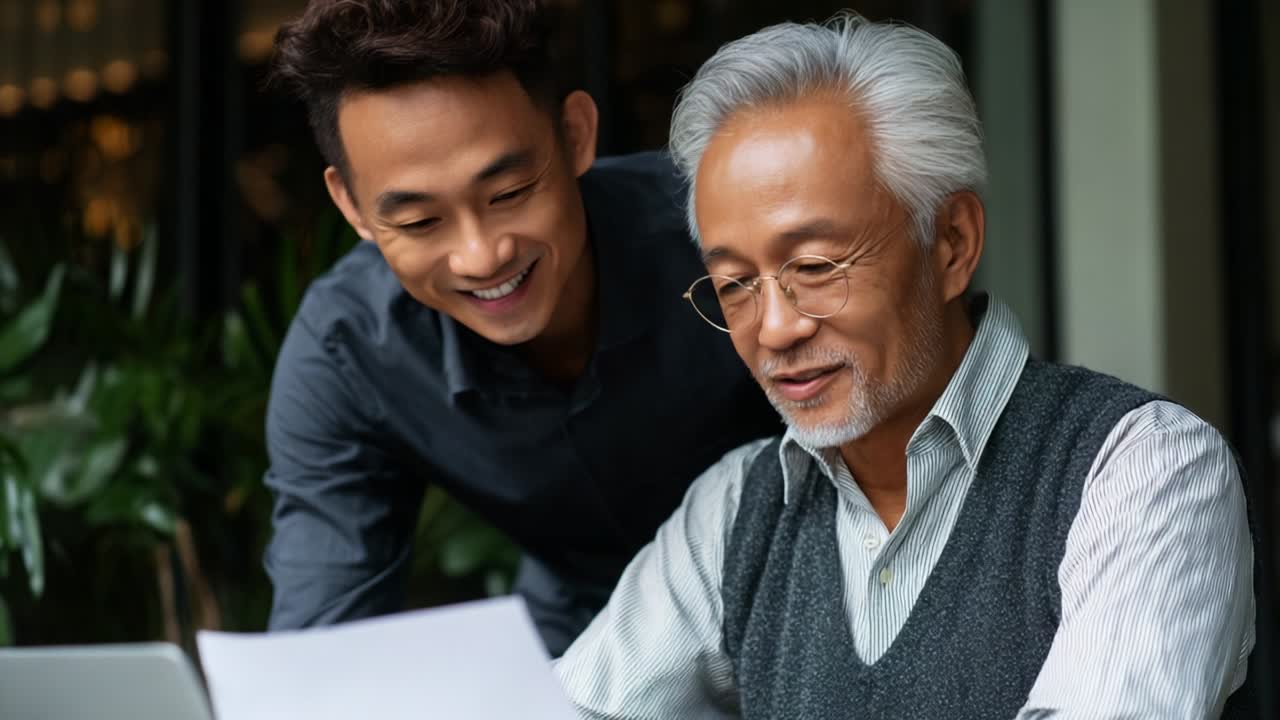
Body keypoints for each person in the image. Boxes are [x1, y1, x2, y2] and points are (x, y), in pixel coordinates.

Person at [554, 14, 1256, 718]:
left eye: (817, 266)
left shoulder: (1141, 468)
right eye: (735, 284)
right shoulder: (734, 511)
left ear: (951, 241)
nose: (775, 328)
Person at [261, 0, 779, 656]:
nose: (482, 257)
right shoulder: (349, 351)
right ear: (351, 205)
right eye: (420, 222)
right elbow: (322, 647)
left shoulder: (722, 233)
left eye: (508, 194)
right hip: (580, 643)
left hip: (806, 608)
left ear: (575, 134)